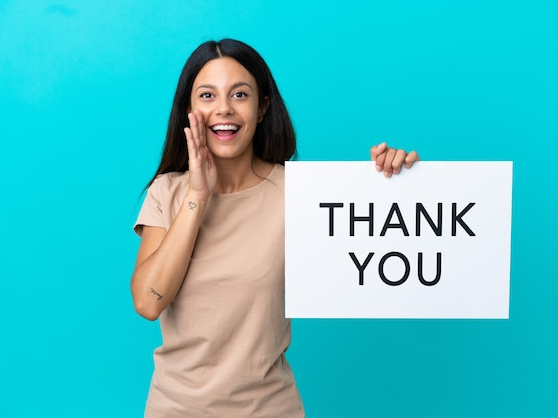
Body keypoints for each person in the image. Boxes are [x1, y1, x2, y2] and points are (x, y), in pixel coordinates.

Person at [130, 39, 419, 417]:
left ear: (262, 106)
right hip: (175, 409)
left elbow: (370, 250)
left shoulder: (300, 195)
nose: (223, 109)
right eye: (207, 95)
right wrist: (198, 194)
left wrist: (390, 184)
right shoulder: (166, 193)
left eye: (239, 94)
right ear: (189, 109)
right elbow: (148, 301)